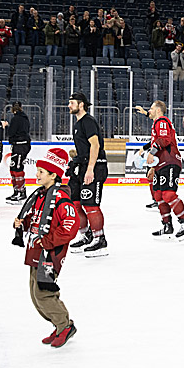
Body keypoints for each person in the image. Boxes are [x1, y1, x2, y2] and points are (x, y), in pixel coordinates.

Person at [12, 147, 79, 348]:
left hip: (49, 253)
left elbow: (70, 226)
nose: (37, 174)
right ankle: (60, 325)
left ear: (53, 174)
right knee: (35, 294)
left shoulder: (60, 198)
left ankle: (65, 326)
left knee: (44, 293)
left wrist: (48, 241)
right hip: (35, 250)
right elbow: (35, 218)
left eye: (41, 171)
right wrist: (22, 224)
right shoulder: (41, 195)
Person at [136, 100, 184, 241]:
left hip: (170, 161)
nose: (149, 111)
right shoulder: (157, 123)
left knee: (168, 194)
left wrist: (151, 153)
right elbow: (157, 140)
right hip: (161, 164)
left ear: (158, 110)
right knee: (158, 195)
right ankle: (167, 226)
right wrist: (153, 167)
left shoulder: (161, 121)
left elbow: (165, 139)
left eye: (151, 109)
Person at [67, 93, 109, 257]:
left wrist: (90, 168)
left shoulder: (88, 121)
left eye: (72, 103)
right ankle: (86, 235)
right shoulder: (78, 123)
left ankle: (100, 241)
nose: (69, 106)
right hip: (82, 165)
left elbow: (95, 145)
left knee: (90, 204)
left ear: (81, 104)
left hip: (94, 167)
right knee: (75, 203)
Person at [5, 101, 32, 205]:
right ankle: (17, 191)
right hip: (21, 145)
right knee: (14, 167)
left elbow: (11, 132)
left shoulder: (16, 119)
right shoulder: (25, 118)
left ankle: (21, 192)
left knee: (17, 168)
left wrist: (8, 127)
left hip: (20, 145)